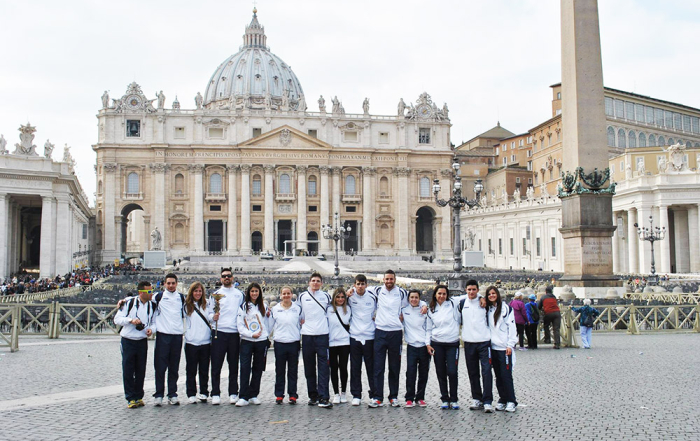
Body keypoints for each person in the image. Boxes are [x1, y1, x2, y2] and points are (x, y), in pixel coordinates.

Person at [114, 281, 156, 408]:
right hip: (128, 340)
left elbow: (154, 322)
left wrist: (151, 330)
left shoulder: (152, 305)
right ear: (140, 293)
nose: (151, 294)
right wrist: (130, 320)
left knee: (140, 370)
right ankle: (130, 397)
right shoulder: (129, 303)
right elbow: (117, 319)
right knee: (128, 369)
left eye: (151, 291)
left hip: (142, 340)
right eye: (148, 291)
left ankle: (138, 396)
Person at [208, 268, 245, 405]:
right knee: (216, 365)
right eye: (224, 276)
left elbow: (245, 311)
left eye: (228, 276)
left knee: (234, 365)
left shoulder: (239, 294)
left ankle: (233, 392)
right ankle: (215, 393)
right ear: (220, 278)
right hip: (219, 332)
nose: (226, 278)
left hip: (234, 333)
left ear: (233, 277)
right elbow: (209, 314)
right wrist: (213, 317)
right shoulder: (215, 295)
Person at [297, 273, 333, 408]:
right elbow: (297, 312)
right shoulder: (302, 296)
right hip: (307, 335)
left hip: (323, 335)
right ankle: (313, 396)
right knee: (309, 367)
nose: (315, 283)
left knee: (324, 368)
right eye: (313, 281)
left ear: (322, 283)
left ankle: (324, 396)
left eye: (318, 281)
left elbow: (334, 310)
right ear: (309, 282)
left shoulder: (326, 296)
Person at [426, 285, 463, 409]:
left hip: (452, 343)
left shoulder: (453, 303)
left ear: (447, 295)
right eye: (439, 293)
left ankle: (454, 399)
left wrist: (481, 298)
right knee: (441, 372)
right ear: (435, 295)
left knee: (452, 371)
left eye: (444, 294)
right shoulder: (431, 308)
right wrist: (428, 344)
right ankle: (444, 398)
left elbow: (468, 296)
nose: (441, 296)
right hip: (437, 343)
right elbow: (428, 328)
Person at [460, 280, 493, 412]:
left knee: (486, 372)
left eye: (474, 289)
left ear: (478, 290)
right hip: (469, 342)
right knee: (473, 372)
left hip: (484, 342)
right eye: (469, 290)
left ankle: (488, 400)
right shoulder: (462, 302)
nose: (471, 292)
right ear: (466, 290)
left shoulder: (484, 303)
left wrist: (483, 298)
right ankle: (476, 398)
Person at [153, 273, 185, 406]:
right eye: (169, 283)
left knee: (174, 367)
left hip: (177, 336)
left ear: (177, 283)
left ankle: (172, 394)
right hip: (163, 335)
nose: (171, 285)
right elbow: (141, 298)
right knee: (160, 367)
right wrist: (124, 301)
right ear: (164, 284)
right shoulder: (158, 297)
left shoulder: (181, 298)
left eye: (173, 283)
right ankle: (159, 394)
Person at [235, 283, 270, 406]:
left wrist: (265, 335)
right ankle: (243, 396)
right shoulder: (243, 307)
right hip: (247, 340)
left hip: (261, 340)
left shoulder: (264, 306)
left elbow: (267, 323)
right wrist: (250, 334)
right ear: (248, 293)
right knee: (245, 368)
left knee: (258, 368)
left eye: (256, 291)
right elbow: (240, 325)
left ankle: (254, 394)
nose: (254, 293)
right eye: (252, 291)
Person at [485, 286, 518, 412]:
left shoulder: (506, 309)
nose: (491, 296)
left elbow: (512, 328)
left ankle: (511, 400)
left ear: (497, 294)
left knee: (506, 375)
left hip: (504, 348)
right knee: (498, 376)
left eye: (493, 293)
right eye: (489, 294)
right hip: (492, 347)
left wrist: (510, 345)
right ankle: (503, 398)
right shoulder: (487, 309)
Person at [347, 274, 377, 406]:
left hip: (370, 336)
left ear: (366, 285)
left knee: (371, 368)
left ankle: (374, 394)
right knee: (355, 367)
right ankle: (356, 394)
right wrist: (348, 291)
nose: (360, 286)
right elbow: (336, 300)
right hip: (355, 336)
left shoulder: (373, 297)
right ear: (354, 285)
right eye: (357, 284)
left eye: (362, 284)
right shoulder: (349, 297)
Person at [269, 286, 302, 404]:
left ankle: (292, 394)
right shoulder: (275, 309)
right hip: (280, 342)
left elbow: (302, 323)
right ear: (280, 295)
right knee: (280, 370)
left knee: (293, 370)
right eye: (284, 294)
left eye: (288, 293)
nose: (286, 296)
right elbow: (270, 326)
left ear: (292, 295)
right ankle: (279, 394)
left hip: (294, 342)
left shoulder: (298, 308)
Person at [400, 289, 429, 408]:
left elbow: (428, 328)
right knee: (411, 373)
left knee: (423, 373)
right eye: (411, 297)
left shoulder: (424, 310)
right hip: (411, 346)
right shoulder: (404, 310)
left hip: (423, 346)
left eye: (416, 297)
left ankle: (420, 397)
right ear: (408, 298)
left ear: (419, 298)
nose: (414, 300)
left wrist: (427, 343)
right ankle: (409, 398)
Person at [184, 281, 211, 404]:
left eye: (200, 291)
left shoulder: (207, 304)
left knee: (204, 369)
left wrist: (214, 317)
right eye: (196, 291)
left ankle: (204, 392)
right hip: (191, 342)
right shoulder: (186, 306)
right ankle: (191, 393)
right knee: (191, 370)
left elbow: (210, 317)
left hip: (205, 342)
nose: (198, 293)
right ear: (192, 292)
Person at [327, 287, 351, 404]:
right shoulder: (328, 309)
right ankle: (336, 393)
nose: (340, 299)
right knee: (333, 368)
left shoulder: (349, 309)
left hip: (344, 342)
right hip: (331, 342)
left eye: (342, 297)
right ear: (334, 298)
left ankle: (344, 392)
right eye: (338, 297)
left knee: (343, 368)